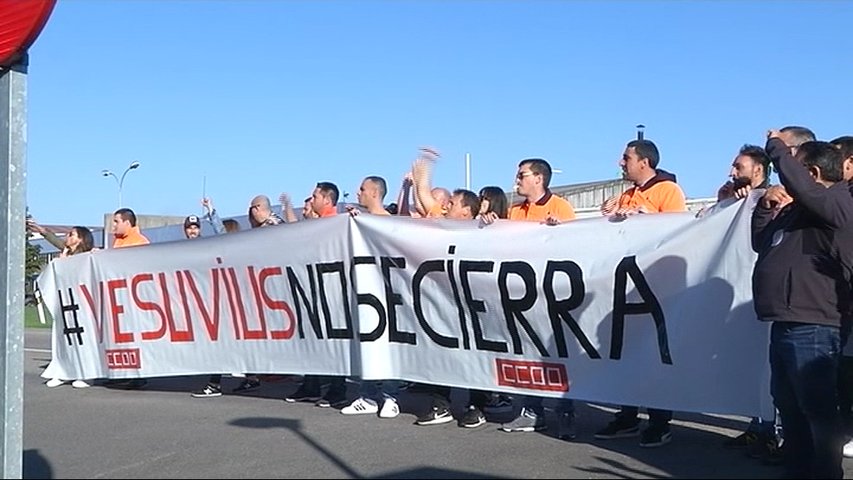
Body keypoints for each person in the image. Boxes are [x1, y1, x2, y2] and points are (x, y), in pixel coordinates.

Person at [751, 132, 853, 479]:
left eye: (796, 166)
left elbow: (805, 188)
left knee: (817, 409)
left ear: (810, 174)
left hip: (815, 323)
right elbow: (760, 242)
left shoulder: (839, 202)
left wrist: (777, 150)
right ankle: (798, 470)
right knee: (790, 407)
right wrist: (765, 208)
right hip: (786, 320)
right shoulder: (798, 211)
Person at [594, 139, 686, 448]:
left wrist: (649, 218)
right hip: (625, 287)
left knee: (654, 354)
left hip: (655, 287)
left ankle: (660, 420)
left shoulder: (668, 191)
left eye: (626, 158)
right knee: (625, 351)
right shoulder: (627, 195)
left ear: (644, 162)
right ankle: (627, 414)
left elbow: (679, 232)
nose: (621, 163)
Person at [484, 159, 577, 439]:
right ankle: (531, 411)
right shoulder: (514, 211)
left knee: (556, 354)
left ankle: (565, 412)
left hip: (551, 294)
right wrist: (488, 226)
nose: (517, 179)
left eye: (522, 174)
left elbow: (579, 246)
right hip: (520, 295)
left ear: (539, 178)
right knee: (524, 351)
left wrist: (557, 231)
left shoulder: (560, 207)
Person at [339, 176, 402, 419]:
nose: (358, 192)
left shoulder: (391, 223)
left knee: (390, 344)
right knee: (366, 340)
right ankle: (367, 395)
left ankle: (390, 396)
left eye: (363, 189)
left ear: (375, 192)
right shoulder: (358, 221)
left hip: (388, 293)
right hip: (364, 292)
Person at [285, 182, 350, 409]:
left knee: (334, 339)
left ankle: (337, 388)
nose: (311, 200)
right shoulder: (316, 225)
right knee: (313, 338)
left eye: (314, 196)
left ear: (327, 200)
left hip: (332, 289)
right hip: (314, 287)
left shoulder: (339, 223)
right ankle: (311, 385)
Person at [27, 221, 95, 389]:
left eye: (71, 234)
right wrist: (43, 232)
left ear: (80, 240)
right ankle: (64, 371)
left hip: (82, 306)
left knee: (82, 341)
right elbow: (58, 244)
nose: (67, 237)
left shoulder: (87, 257)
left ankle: (85, 374)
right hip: (64, 304)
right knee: (63, 339)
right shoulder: (65, 253)